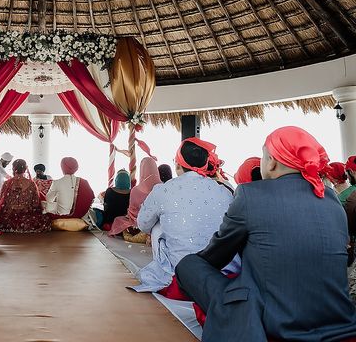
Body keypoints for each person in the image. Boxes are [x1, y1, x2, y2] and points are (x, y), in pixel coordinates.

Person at [176, 127, 356, 341]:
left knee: (188, 265)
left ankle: (235, 319)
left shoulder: (250, 195)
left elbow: (215, 258)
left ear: (271, 161)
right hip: (338, 320)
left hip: (274, 321)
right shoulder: (330, 199)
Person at [131, 138, 235, 293]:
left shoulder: (163, 190)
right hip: (222, 268)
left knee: (157, 224)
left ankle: (169, 266)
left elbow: (143, 224)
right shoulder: (224, 191)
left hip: (181, 269)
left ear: (178, 164)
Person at [0, 159, 50, 233]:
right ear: (25, 169)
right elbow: (36, 203)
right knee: (45, 219)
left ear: (13, 169)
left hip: (8, 218)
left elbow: (1, 203)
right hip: (26, 217)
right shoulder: (31, 183)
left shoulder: (6, 183)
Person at [109, 157, 161, 237]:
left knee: (118, 220)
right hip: (158, 225)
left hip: (138, 225)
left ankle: (141, 233)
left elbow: (132, 213)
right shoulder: (163, 188)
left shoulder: (135, 190)